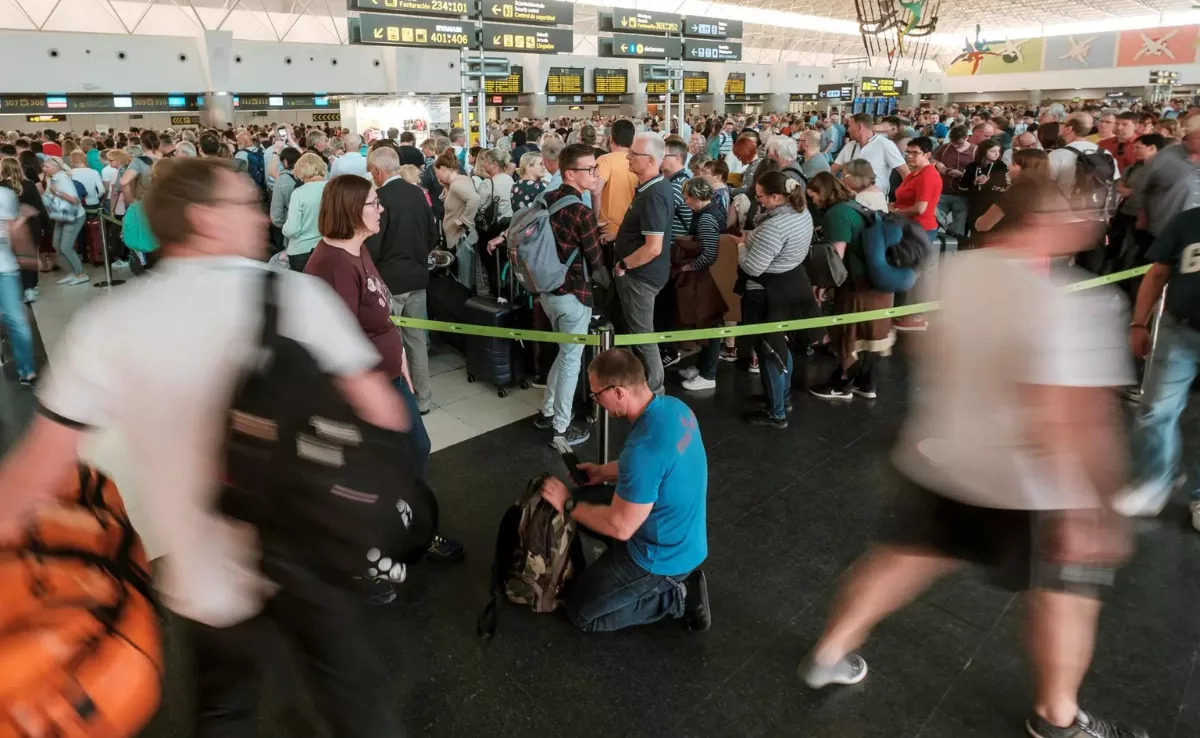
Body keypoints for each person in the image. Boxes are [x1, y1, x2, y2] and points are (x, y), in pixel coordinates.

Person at [0, 157, 408, 737]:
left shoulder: (111, 323)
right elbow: (384, 412)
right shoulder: (295, 297)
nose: (260, 216)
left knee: (223, 711)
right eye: (245, 204)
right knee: (353, 700)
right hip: (310, 546)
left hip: (202, 577)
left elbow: (37, 471)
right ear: (204, 218)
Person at [798, 175, 1145, 738]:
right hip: (1030, 484)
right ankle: (1058, 717)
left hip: (946, 458)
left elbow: (926, 349)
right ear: (1052, 221)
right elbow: (1071, 415)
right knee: (1066, 596)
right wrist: (1095, 506)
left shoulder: (956, 272)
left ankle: (830, 652)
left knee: (905, 556)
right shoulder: (1071, 302)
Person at [303, 174, 462, 570]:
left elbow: (379, 314)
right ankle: (399, 534)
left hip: (387, 378)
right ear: (352, 211)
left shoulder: (357, 250)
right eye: (374, 203)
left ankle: (408, 528)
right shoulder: (333, 264)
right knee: (395, 461)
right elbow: (335, 342)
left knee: (413, 452)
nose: (381, 209)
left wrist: (401, 359)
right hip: (369, 390)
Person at [538, 347, 711, 634]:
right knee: (586, 498)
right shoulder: (674, 409)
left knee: (581, 612)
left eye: (597, 395)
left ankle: (676, 596)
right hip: (679, 532)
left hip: (661, 556)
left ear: (618, 392)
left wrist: (568, 504)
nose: (596, 402)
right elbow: (657, 467)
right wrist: (600, 472)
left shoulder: (643, 451)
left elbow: (621, 527)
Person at [1113, 201, 1200, 528]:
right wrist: (1139, 323)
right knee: (1156, 410)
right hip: (1180, 332)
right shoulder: (1188, 222)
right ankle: (1154, 483)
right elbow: (1158, 273)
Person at [530, 143, 606, 448]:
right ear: (570, 173)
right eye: (590, 169)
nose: (595, 174)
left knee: (564, 353)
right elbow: (595, 259)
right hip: (574, 294)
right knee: (572, 360)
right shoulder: (580, 212)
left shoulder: (545, 200)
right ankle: (561, 428)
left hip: (547, 291)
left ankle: (548, 411)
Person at [737, 170, 818, 429]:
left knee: (768, 351)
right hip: (791, 284)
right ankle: (782, 397)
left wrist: (741, 246)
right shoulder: (801, 213)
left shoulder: (774, 227)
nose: (758, 200)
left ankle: (776, 413)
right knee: (781, 347)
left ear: (776, 197)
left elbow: (752, 267)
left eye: (761, 196)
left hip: (765, 293)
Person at [806, 172, 894, 401]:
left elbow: (836, 257)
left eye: (813, 196)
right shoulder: (854, 206)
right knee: (872, 337)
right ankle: (866, 384)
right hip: (878, 282)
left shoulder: (836, 214)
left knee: (849, 333)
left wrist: (822, 285)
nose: (813, 202)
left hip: (857, 286)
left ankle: (842, 384)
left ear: (823, 193)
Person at [365, 146, 439, 418]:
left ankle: (396, 400)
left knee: (391, 343)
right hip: (417, 277)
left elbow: (374, 245)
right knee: (417, 342)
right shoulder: (418, 193)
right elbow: (432, 235)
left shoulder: (380, 198)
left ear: (377, 171)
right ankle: (423, 399)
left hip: (389, 282)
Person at [613, 133, 674, 397]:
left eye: (633, 154)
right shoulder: (652, 187)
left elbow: (653, 247)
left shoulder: (653, 195)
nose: (628, 157)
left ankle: (655, 390)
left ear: (649, 160)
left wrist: (624, 264)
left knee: (642, 335)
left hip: (641, 276)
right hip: (643, 274)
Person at [676, 176, 725, 393]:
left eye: (687, 198)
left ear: (697, 197)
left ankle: (708, 374)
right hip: (711, 278)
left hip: (708, 279)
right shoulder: (712, 211)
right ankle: (702, 366)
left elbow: (709, 254)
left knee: (711, 324)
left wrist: (688, 267)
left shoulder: (705, 219)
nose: (685, 202)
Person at [0, 158, 39, 384]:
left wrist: (27, 256)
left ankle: (26, 369)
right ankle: (26, 369)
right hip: (6, 267)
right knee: (16, 320)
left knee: (16, 320)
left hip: (5, 268)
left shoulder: (5, 195)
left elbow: (13, 231)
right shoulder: (5, 195)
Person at [974, 148, 1053, 238]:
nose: (1008, 167)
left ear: (1025, 168)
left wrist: (978, 222)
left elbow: (984, 225)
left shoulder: (1018, 190)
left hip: (1011, 241)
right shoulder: (1053, 187)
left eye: (1013, 164)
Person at [832, 113, 908, 195]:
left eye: (850, 126)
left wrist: (903, 197)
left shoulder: (885, 145)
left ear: (859, 127)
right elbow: (833, 170)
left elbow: (905, 172)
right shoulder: (850, 146)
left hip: (875, 199)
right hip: (851, 197)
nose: (848, 130)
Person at [42, 155, 89, 285]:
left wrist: (56, 192)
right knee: (56, 245)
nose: (44, 168)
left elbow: (75, 200)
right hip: (61, 215)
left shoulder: (63, 179)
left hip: (74, 216)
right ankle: (72, 272)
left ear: (56, 167)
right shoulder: (52, 179)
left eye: (46, 166)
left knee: (66, 247)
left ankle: (81, 274)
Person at [280, 152, 328, 273]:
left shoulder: (299, 193)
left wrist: (284, 228)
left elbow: (292, 229)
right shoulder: (334, 188)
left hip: (301, 252)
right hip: (328, 248)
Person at [594, 119, 638, 239]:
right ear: (632, 140)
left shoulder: (604, 160)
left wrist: (594, 218)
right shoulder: (637, 161)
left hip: (608, 228)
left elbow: (596, 191)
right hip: (632, 228)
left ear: (611, 138)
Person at [959, 139, 1009, 243]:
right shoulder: (972, 166)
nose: (997, 154)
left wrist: (989, 183)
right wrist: (974, 182)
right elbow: (962, 186)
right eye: (992, 151)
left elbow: (1005, 187)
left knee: (989, 235)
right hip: (975, 205)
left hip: (992, 205)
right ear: (983, 151)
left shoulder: (1001, 167)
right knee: (974, 233)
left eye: (998, 151)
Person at [931, 125, 975, 238]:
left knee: (958, 228)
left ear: (966, 137)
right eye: (953, 142)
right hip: (943, 192)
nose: (955, 145)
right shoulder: (945, 147)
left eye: (959, 143)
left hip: (962, 195)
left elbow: (979, 172)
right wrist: (938, 164)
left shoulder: (975, 151)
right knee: (933, 221)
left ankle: (956, 245)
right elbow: (933, 160)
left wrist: (962, 174)